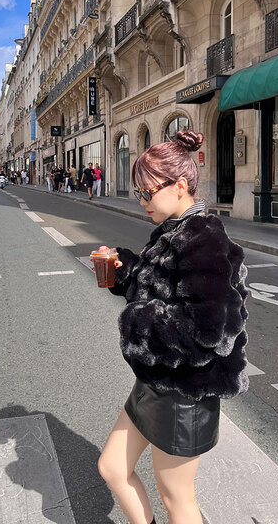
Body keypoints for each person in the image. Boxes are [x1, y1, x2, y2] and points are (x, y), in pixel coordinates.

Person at [94, 129, 249, 524]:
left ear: (179, 186)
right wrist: (123, 269)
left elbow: (210, 330)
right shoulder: (172, 231)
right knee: (112, 467)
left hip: (185, 394)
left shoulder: (204, 238)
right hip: (155, 382)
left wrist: (138, 322)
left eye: (147, 192)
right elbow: (156, 288)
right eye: (139, 193)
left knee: (176, 498)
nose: (142, 201)